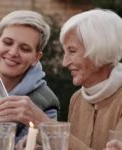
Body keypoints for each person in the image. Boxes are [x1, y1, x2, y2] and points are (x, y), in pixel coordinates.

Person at [0, 10, 59, 143]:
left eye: (24, 49)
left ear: (36, 57)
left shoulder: (45, 106)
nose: (13, 53)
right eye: (7, 43)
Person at [59, 8, 122, 150]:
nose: (65, 62)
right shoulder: (77, 99)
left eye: (72, 51)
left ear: (100, 49)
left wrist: (43, 124)